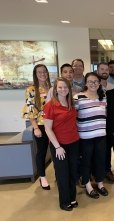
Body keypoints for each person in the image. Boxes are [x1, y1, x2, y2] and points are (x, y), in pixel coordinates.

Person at [43, 78, 80, 211]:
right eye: (60, 87)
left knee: (73, 172)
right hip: (59, 145)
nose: (63, 89)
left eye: (65, 87)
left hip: (74, 142)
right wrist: (57, 147)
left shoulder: (72, 103)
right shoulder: (50, 106)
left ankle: (72, 197)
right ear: (55, 89)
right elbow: (47, 128)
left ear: (69, 88)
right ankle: (64, 201)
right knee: (62, 174)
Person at [74, 72, 108, 199]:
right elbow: (73, 116)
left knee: (100, 160)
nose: (93, 84)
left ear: (99, 83)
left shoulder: (103, 96)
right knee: (86, 161)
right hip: (85, 137)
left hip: (101, 135)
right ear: (86, 83)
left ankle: (100, 183)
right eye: (90, 81)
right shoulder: (78, 97)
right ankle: (87, 185)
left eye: (95, 82)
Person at [22, 64, 52, 190]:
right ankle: (42, 177)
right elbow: (30, 110)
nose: (43, 74)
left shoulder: (52, 87)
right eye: (40, 72)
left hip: (54, 124)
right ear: (35, 74)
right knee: (42, 151)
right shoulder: (31, 89)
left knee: (56, 151)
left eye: (45, 71)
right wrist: (35, 128)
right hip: (41, 125)